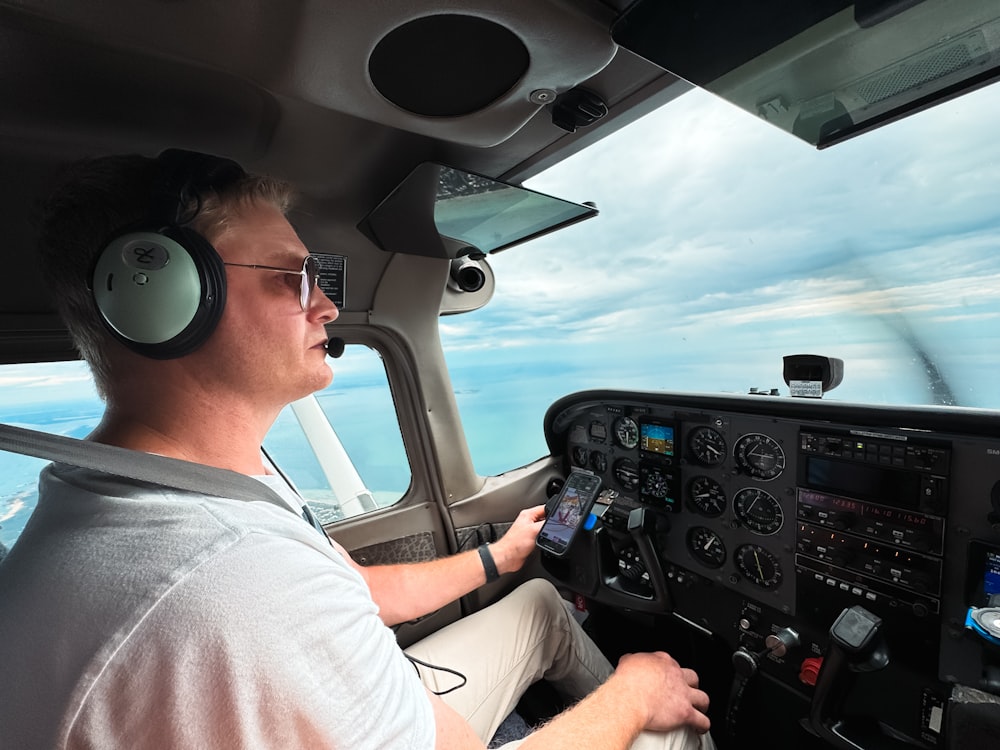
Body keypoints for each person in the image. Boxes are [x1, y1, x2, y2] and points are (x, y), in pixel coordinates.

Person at [0, 150, 714, 749]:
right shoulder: (230, 573)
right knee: (669, 714)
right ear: (166, 299)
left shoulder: (172, 490)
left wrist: (505, 554)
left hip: (391, 704)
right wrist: (633, 697)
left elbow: (358, 594)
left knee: (539, 604)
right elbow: (264, 593)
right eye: (291, 277)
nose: (327, 306)